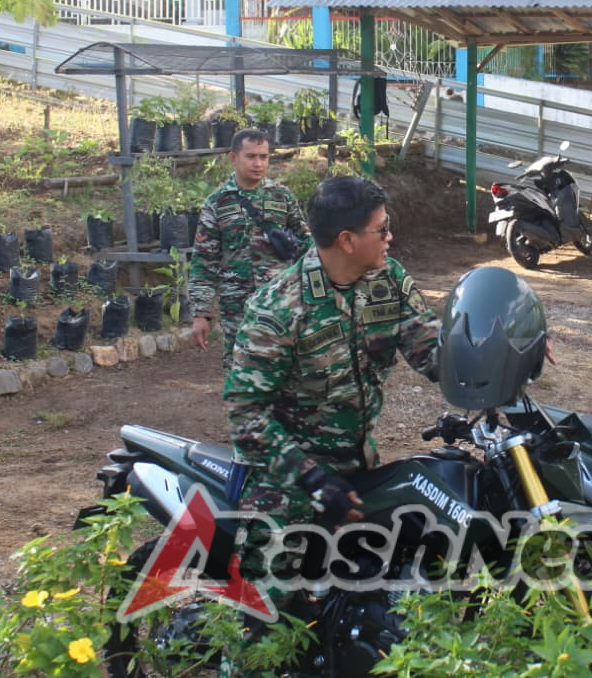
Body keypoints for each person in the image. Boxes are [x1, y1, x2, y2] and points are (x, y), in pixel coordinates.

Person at [224, 175, 440, 531]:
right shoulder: (279, 308)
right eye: (381, 230)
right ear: (347, 240)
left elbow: (430, 350)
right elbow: (245, 415)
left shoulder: (387, 281)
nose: (390, 238)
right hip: (285, 482)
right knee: (279, 584)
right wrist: (311, 479)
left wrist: (505, 350)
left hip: (357, 469)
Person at [188, 128, 311, 369]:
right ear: (233, 158)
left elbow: (307, 246)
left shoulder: (282, 197)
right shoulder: (217, 203)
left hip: (280, 303)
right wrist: (201, 313)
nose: (258, 163)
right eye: (251, 156)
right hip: (237, 307)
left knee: (285, 368)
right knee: (239, 371)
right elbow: (204, 261)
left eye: (263, 157)